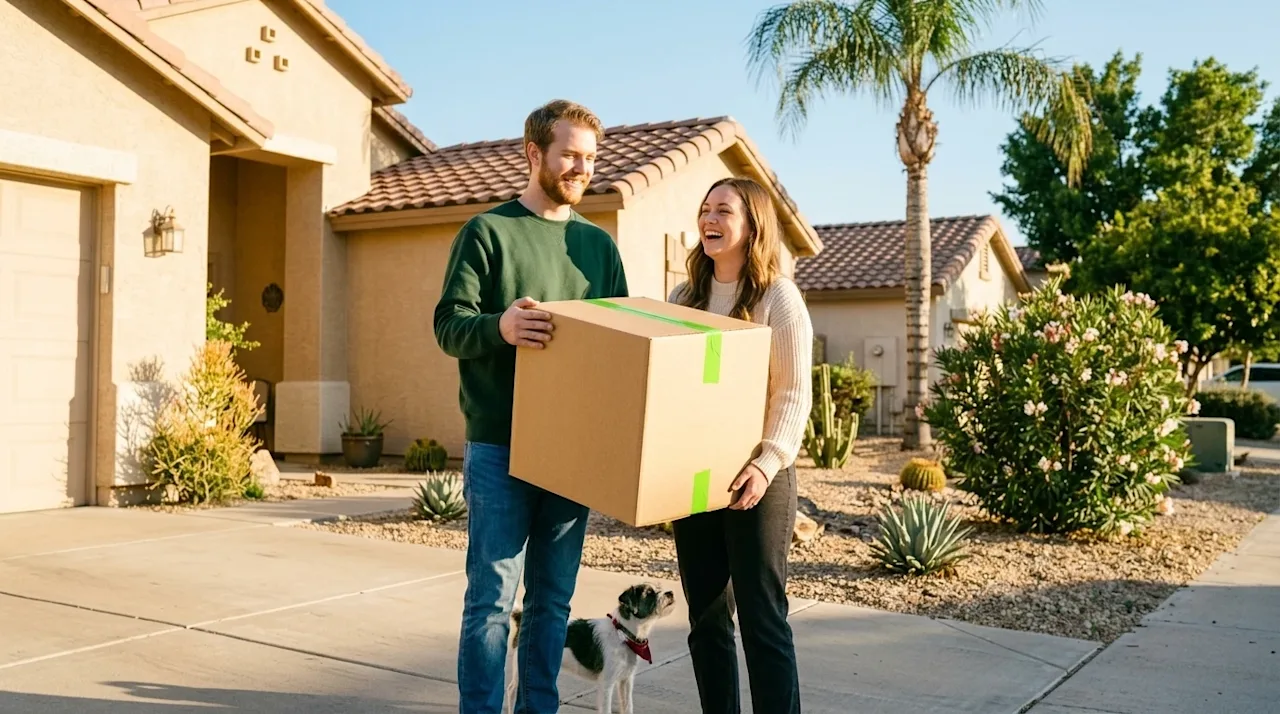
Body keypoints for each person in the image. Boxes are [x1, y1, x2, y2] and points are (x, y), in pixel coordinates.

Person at [434, 99, 629, 714]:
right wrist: (501, 327)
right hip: (500, 444)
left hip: (571, 451)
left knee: (553, 602)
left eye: (590, 158)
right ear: (533, 153)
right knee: (492, 599)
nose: (581, 167)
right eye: (570, 154)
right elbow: (448, 326)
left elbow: (620, 346)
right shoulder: (487, 233)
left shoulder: (599, 249)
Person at [668, 177, 812, 714]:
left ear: (753, 224)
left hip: (759, 479)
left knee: (762, 618)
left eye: (724, 210)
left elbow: (794, 391)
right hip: (696, 477)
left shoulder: (779, 297)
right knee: (705, 619)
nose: (710, 218)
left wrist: (767, 461)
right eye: (705, 209)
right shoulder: (684, 299)